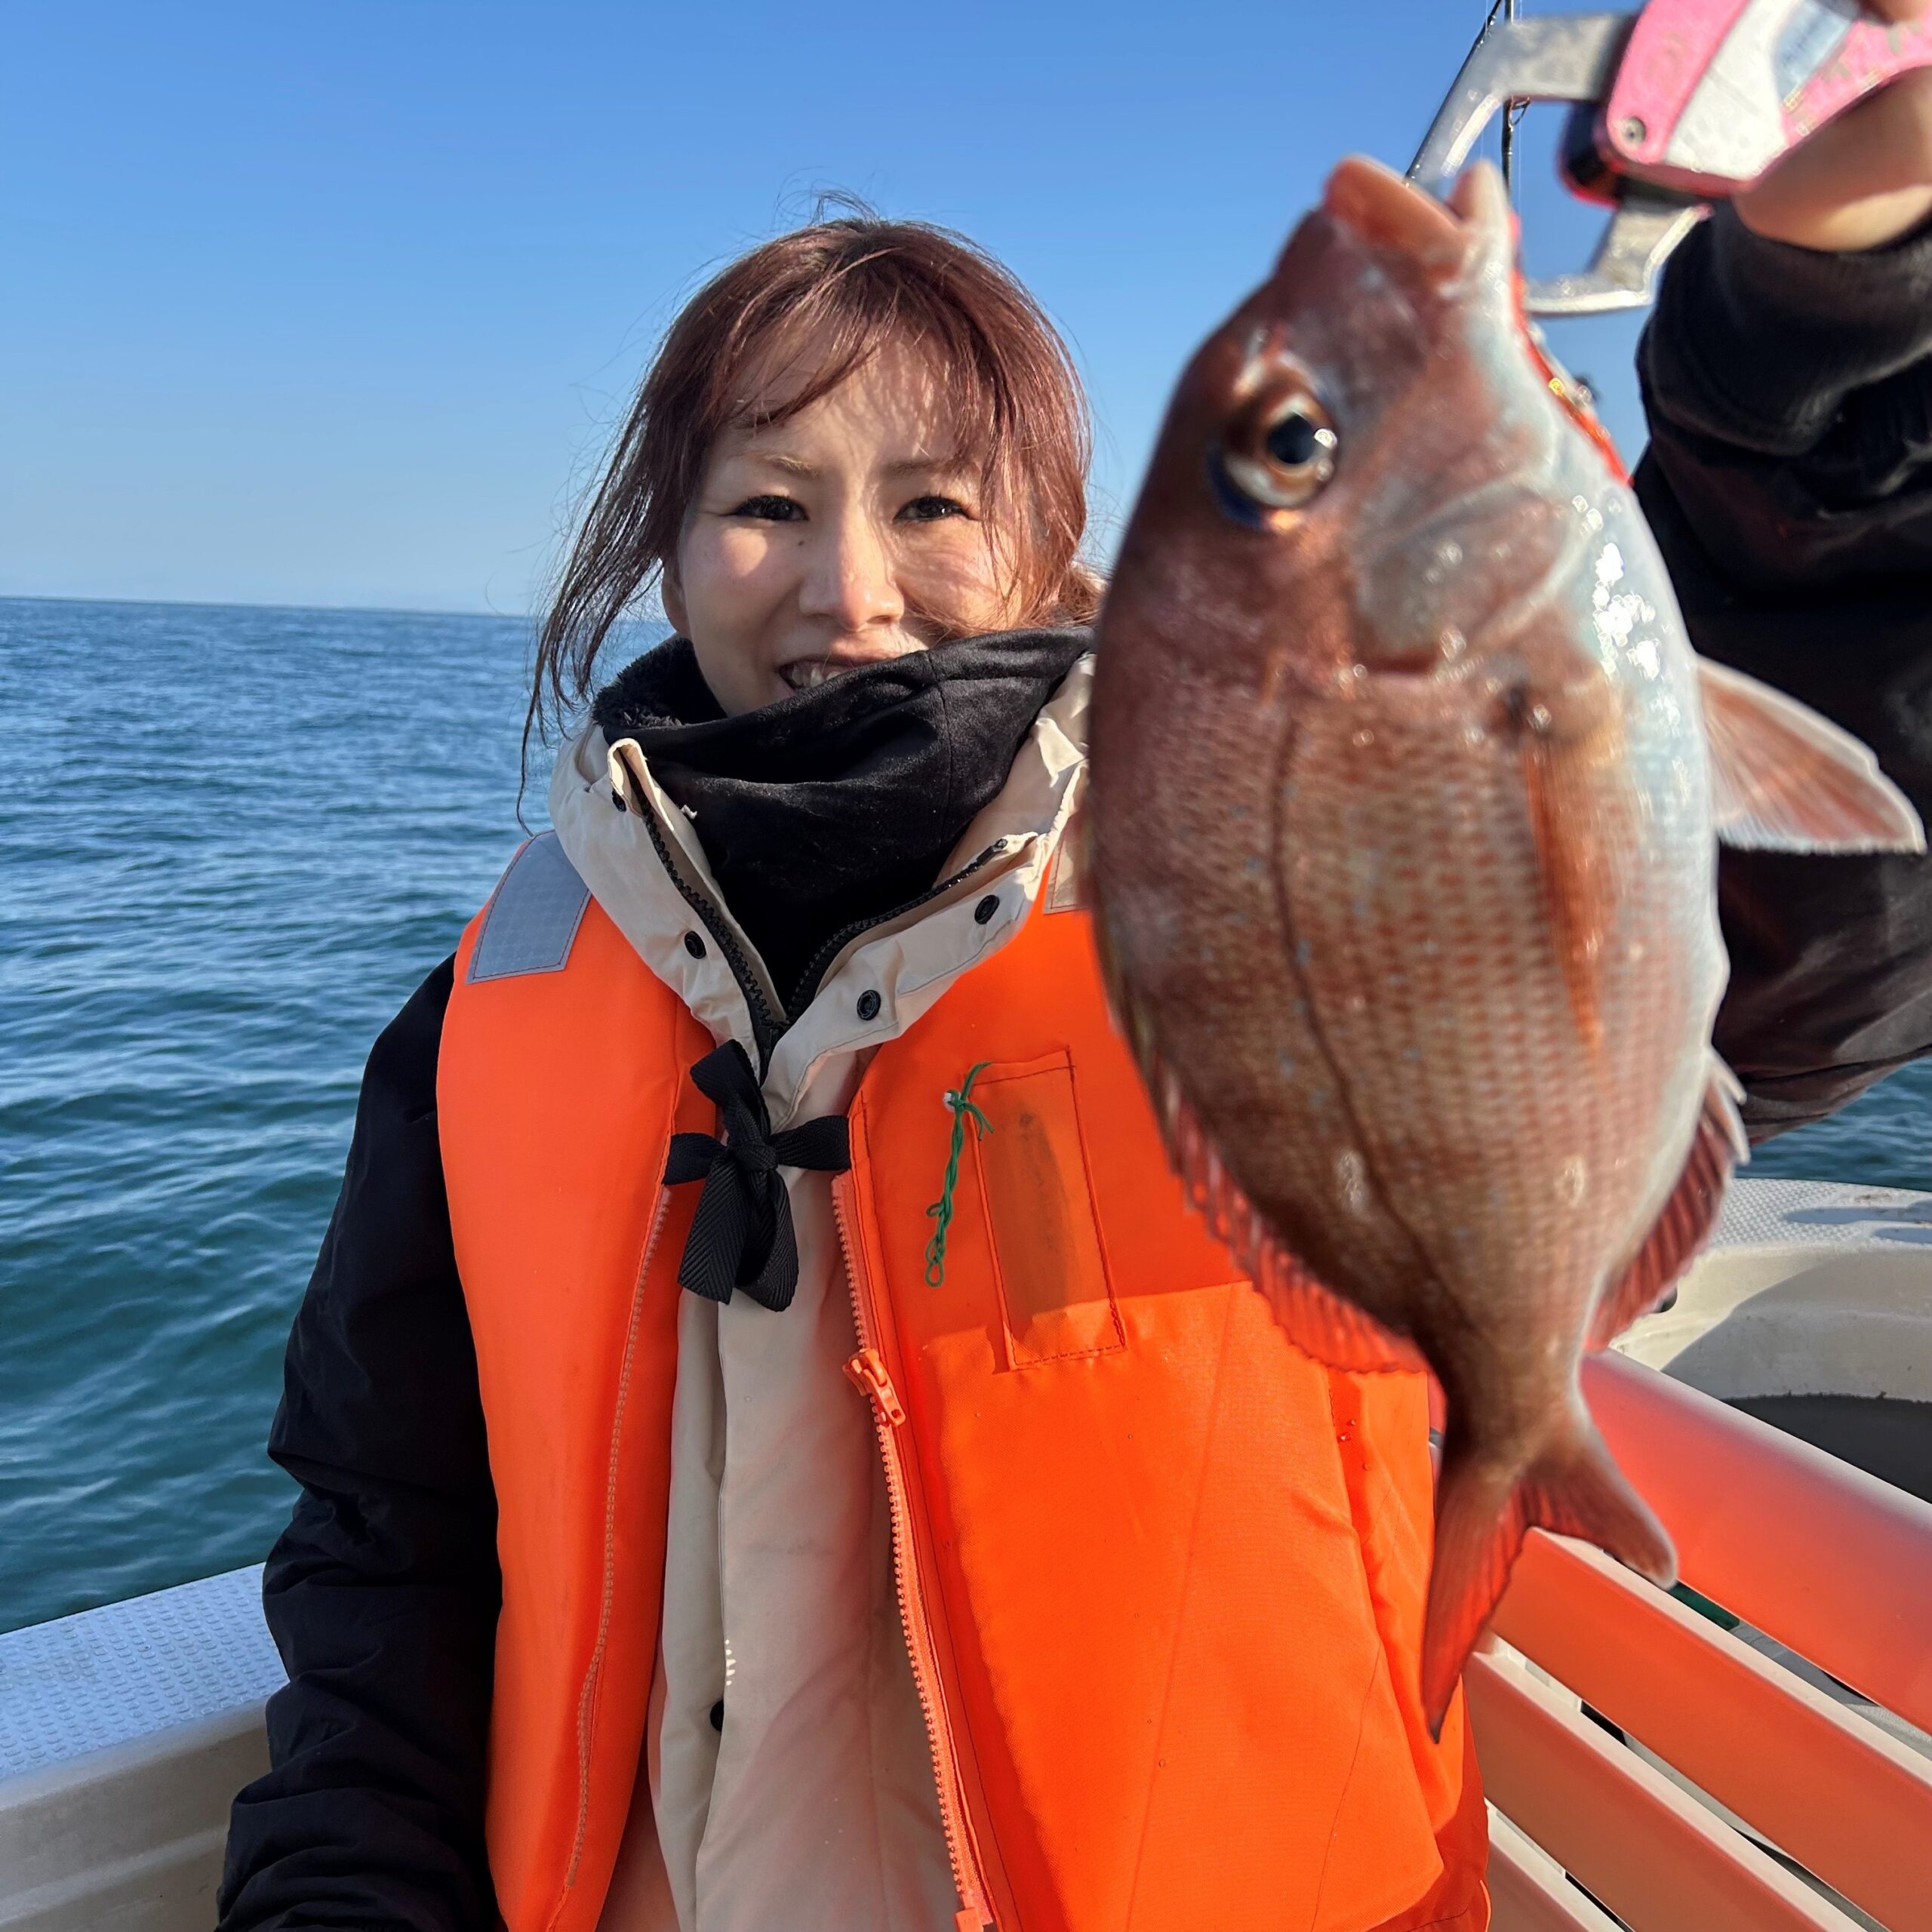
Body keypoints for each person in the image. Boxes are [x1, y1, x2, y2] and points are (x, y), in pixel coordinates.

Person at [217, 44, 1932, 1932]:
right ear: (665, 546)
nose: (846, 588)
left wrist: (1808, 336)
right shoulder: (483, 1016)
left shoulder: (1243, 878)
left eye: (931, 506)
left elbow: (1804, 945)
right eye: (764, 501)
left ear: (1050, 545)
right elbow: (387, 1544)